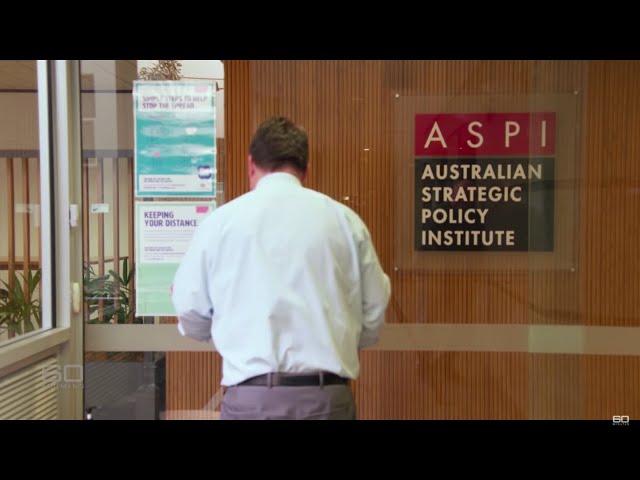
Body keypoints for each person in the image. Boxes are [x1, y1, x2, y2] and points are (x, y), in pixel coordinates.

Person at [171, 116, 391, 420]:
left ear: (251, 165)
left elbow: (190, 309)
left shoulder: (220, 224)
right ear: (305, 170)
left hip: (250, 402)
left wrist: (218, 331)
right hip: (326, 400)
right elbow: (374, 310)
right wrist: (342, 341)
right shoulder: (345, 222)